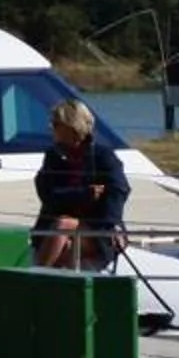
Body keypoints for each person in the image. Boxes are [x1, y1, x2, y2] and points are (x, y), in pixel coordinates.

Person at [32, 98, 131, 270]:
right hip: (59, 227)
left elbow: (119, 190)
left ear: (71, 126)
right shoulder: (53, 156)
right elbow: (47, 193)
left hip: (96, 228)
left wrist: (110, 225)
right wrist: (84, 194)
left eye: (56, 124)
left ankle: (36, 279)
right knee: (64, 236)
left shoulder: (103, 156)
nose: (51, 128)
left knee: (63, 225)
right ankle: (47, 282)